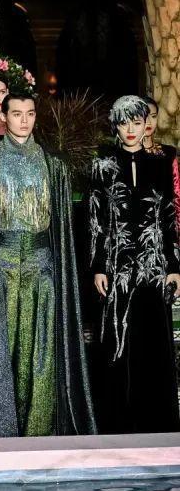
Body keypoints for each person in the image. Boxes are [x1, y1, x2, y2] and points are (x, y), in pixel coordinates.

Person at [0, 93, 96, 438]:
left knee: (41, 353)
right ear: (4, 117)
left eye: (29, 113)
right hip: (1, 267)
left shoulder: (55, 164)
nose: (23, 121)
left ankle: (39, 431)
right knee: (0, 348)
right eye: (16, 114)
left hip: (43, 269)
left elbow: (63, 229)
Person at [89, 95, 180, 434]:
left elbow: (168, 220)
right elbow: (96, 220)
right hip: (117, 266)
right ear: (115, 126)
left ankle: (159, 425)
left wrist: (174, 266)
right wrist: (98, 266)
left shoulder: (161, 163)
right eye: (123, 122)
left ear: (146, 125)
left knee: (153, 342)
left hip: (155, 267)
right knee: (118, 340)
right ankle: (118, 425)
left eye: (136, 122)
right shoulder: (102, 165)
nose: (130, 129)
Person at [141, 95, 180, 235]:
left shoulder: (168, 153)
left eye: (153, 116)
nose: (149, 121)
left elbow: (176, 192)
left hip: (164, 225)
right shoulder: (126, 155)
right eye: (144, 116)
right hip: (136, 228)